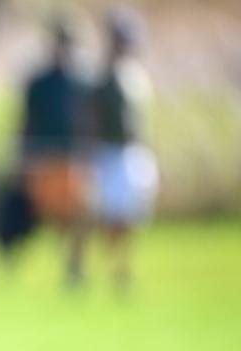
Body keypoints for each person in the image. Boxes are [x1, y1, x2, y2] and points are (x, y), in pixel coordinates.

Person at [19, 15, 95, 286]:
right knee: (53, 215)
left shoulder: (84, 80)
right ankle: (68, 259)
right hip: (47, 156)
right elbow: (26, 122)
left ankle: (75, 264)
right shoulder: (40, 82)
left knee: (79, 213)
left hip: (77, 155)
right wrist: (23, 155)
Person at [90, 6, 158, 292]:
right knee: (112, 214)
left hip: (133, 151)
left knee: (130, 214)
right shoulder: (104, 76)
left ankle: (121, 267)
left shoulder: (134, 75)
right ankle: (111, 267)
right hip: (109, 152)